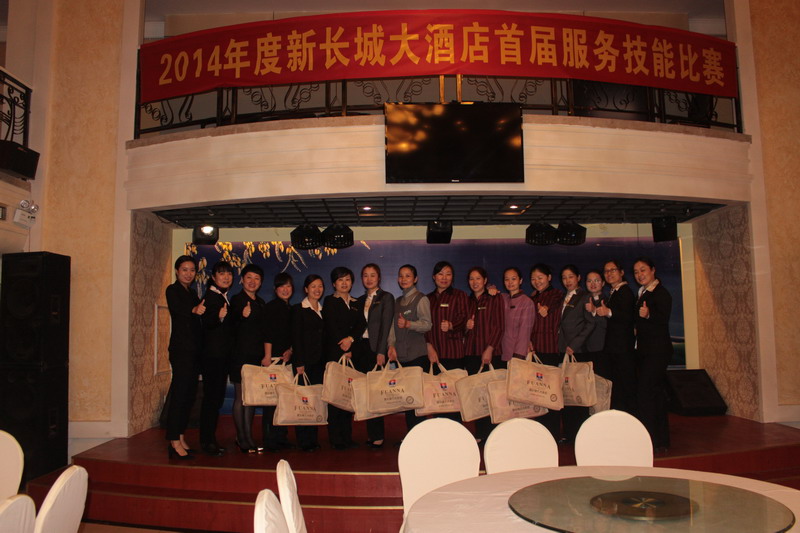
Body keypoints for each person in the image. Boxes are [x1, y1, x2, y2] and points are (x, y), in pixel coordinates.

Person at [322, 266, 366, 450]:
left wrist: (351, 341)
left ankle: (347, 436)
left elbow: (361, 324)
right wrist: (343, 346)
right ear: (334, 284)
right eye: (340, 280)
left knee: (348, 396)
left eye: (347, 279)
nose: (344, 283)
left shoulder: (356, 302)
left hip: (352, 353)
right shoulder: (329, 301)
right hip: (335, 354)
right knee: (335, 395)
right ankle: (336, 438)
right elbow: (331, 326)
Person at [165, 255, 204, 460]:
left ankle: (180, 435)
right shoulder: (172, 290)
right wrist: (194, 310)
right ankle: (173, 440)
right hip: (181, 350)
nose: (188, 274)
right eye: (184, 270)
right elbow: (179, 311)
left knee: (189, 395)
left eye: (192, 270)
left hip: (194, 350)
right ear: (177, 271)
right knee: (180, 394)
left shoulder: (192, 292)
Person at [633, 256, 674, 451]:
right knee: (655, 395)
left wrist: (649, 315)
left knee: (646, 393)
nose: (639, 274)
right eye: (636, 272)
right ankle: (660, 440)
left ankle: (650, 439)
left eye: (643, 270)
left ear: (653, 270)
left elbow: (663, 318)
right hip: (646, 351)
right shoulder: (643, 292)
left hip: (657, 352)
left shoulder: (661, 293)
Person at [387, 264, 432, 433]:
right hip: (402, 357)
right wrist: (391, 345)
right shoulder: (398, 301)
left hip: (417, 356)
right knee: (407, 400)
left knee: (417, 401)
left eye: (408, 276)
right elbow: (392, 327)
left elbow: (427, 325)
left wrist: (409, 324)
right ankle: (410, 435)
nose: (404, 279)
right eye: (401, 276)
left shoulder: (421, 299)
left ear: (415, 279)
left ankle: (419, 437)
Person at [354, 263, 395, 448]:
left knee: (376, 393)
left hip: (376, 349)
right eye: (365, 275)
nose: (369, 279)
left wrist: (381, 351)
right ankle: (371, 434)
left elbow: (386, 326)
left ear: (379, 278)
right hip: (361, 349)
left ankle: (378, 435)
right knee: (365, 393)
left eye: (372, 275)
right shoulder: (360, 300)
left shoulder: (386, 297)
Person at [229, 264, 268, 453]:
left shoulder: (260, 302)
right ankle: (241, 437)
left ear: (261, 283)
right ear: (242, 280)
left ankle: (249, 437)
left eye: (257, 278)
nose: (252, 282)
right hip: (239, 355)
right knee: (240, 397)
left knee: (250, 398)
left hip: (255, 356)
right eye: (249, 277)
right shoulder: (237, 300)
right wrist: (241, 315)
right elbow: (231, 323)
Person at [198, 261, 234, 456]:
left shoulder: (222, 296)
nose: (226, 277)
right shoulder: (210, 297)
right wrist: (218, 317)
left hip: (221, 357)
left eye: (229, 274)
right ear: (213, 277)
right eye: (221, 274)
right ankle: (207, 441)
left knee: (216, 399)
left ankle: (210, 439)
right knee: (211, 400)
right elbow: (205, 323)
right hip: (212, 358)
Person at [556, 264, 595, 443]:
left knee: (579, 394)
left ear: (578, 278)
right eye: (564, 277)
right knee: (566, 393)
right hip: (562, 350)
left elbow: (590, 324)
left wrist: (574, 344)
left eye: (570, 276)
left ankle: (581, 434)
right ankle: (569, 433)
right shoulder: (562, 297)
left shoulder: (585, 297)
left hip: (577, 351)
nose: (567, 281)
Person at [464, 266, 504, 441]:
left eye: (478, 278)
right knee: (478, 397)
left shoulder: (494, 298)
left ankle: (494, 435)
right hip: (472, 353)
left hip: (491, 354)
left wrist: (490, 348)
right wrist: (466, 327)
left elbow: (499, 326)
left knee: (493, 396)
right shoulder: (467, 301)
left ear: (485, 280)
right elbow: (460, 328)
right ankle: (481, 433)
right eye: (471, 279)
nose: (475, 282)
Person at [528, 263, 564, 441]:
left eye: (540, 278)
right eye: (533, 279)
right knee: (536, 394)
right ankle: (540, 433)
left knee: (551, 393)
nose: (537, 281)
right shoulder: (532, 297)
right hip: (535, 350)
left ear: (549, 277)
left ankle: (553, 434)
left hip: (550, 349)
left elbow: (551, 307)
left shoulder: (557, 294)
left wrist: (546, 309)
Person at [596, 259, 636, 413]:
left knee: (625, 387)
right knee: (618, 387)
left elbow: (627, 317)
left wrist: (609, 312)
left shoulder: (625, 292)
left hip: (622, 349)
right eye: (606, 271)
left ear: (621, 272)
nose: (609, 274)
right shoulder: (614, 292)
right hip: (615, 348)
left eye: (613, 270)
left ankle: (628, 419)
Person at [291, 274, 326, 452]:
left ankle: (312, 438)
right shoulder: (298, 309)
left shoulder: (323, 310)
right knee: (303, 400)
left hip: (319, 363)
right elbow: (296, 337)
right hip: (303, 363)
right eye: (313, 286)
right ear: (306, 289)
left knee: (315, 400)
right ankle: (303, 440)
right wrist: (299, 362)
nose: (317, 290)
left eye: (320, 286)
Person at [262, 272, 295, 452]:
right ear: (275, 289)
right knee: (271, 402)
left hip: (285, 360)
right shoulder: (271, 307)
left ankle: (281, 437)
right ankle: (270, 439)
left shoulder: (290, 308)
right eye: (281, 286)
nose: (285, 289)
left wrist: (290, 350)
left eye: (288, 286)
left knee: (283, 400)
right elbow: (268, 333)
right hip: (273, 360)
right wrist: (267, 356)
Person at [425, 261, 469, 371]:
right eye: (440, 274)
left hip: (453, 352)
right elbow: (423, 325)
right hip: (432, 353)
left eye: (448, 274)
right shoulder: (427, 298)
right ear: (434, 277)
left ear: (452, 277)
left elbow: (464, 318)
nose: (444, 278)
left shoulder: (459, 295)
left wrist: (451, 325)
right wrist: (428, 346)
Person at [498, 267, 535, 364]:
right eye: (507, 279)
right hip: (501, 351)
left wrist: (518, 356)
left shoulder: (527, 302)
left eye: (513, 279)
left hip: (516, 354)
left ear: (520, 280)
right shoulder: (503, 298)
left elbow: (524, 332)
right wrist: (490, 287)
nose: (510, 282)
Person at [583, 268, 608, 379]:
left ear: (603, 283)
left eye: (597, 281)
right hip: (583, 348)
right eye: (589, 281)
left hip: (600, 348)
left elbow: (607, 325)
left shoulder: (607, 301)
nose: (593, 284)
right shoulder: (583, 300)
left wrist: (594, 311)